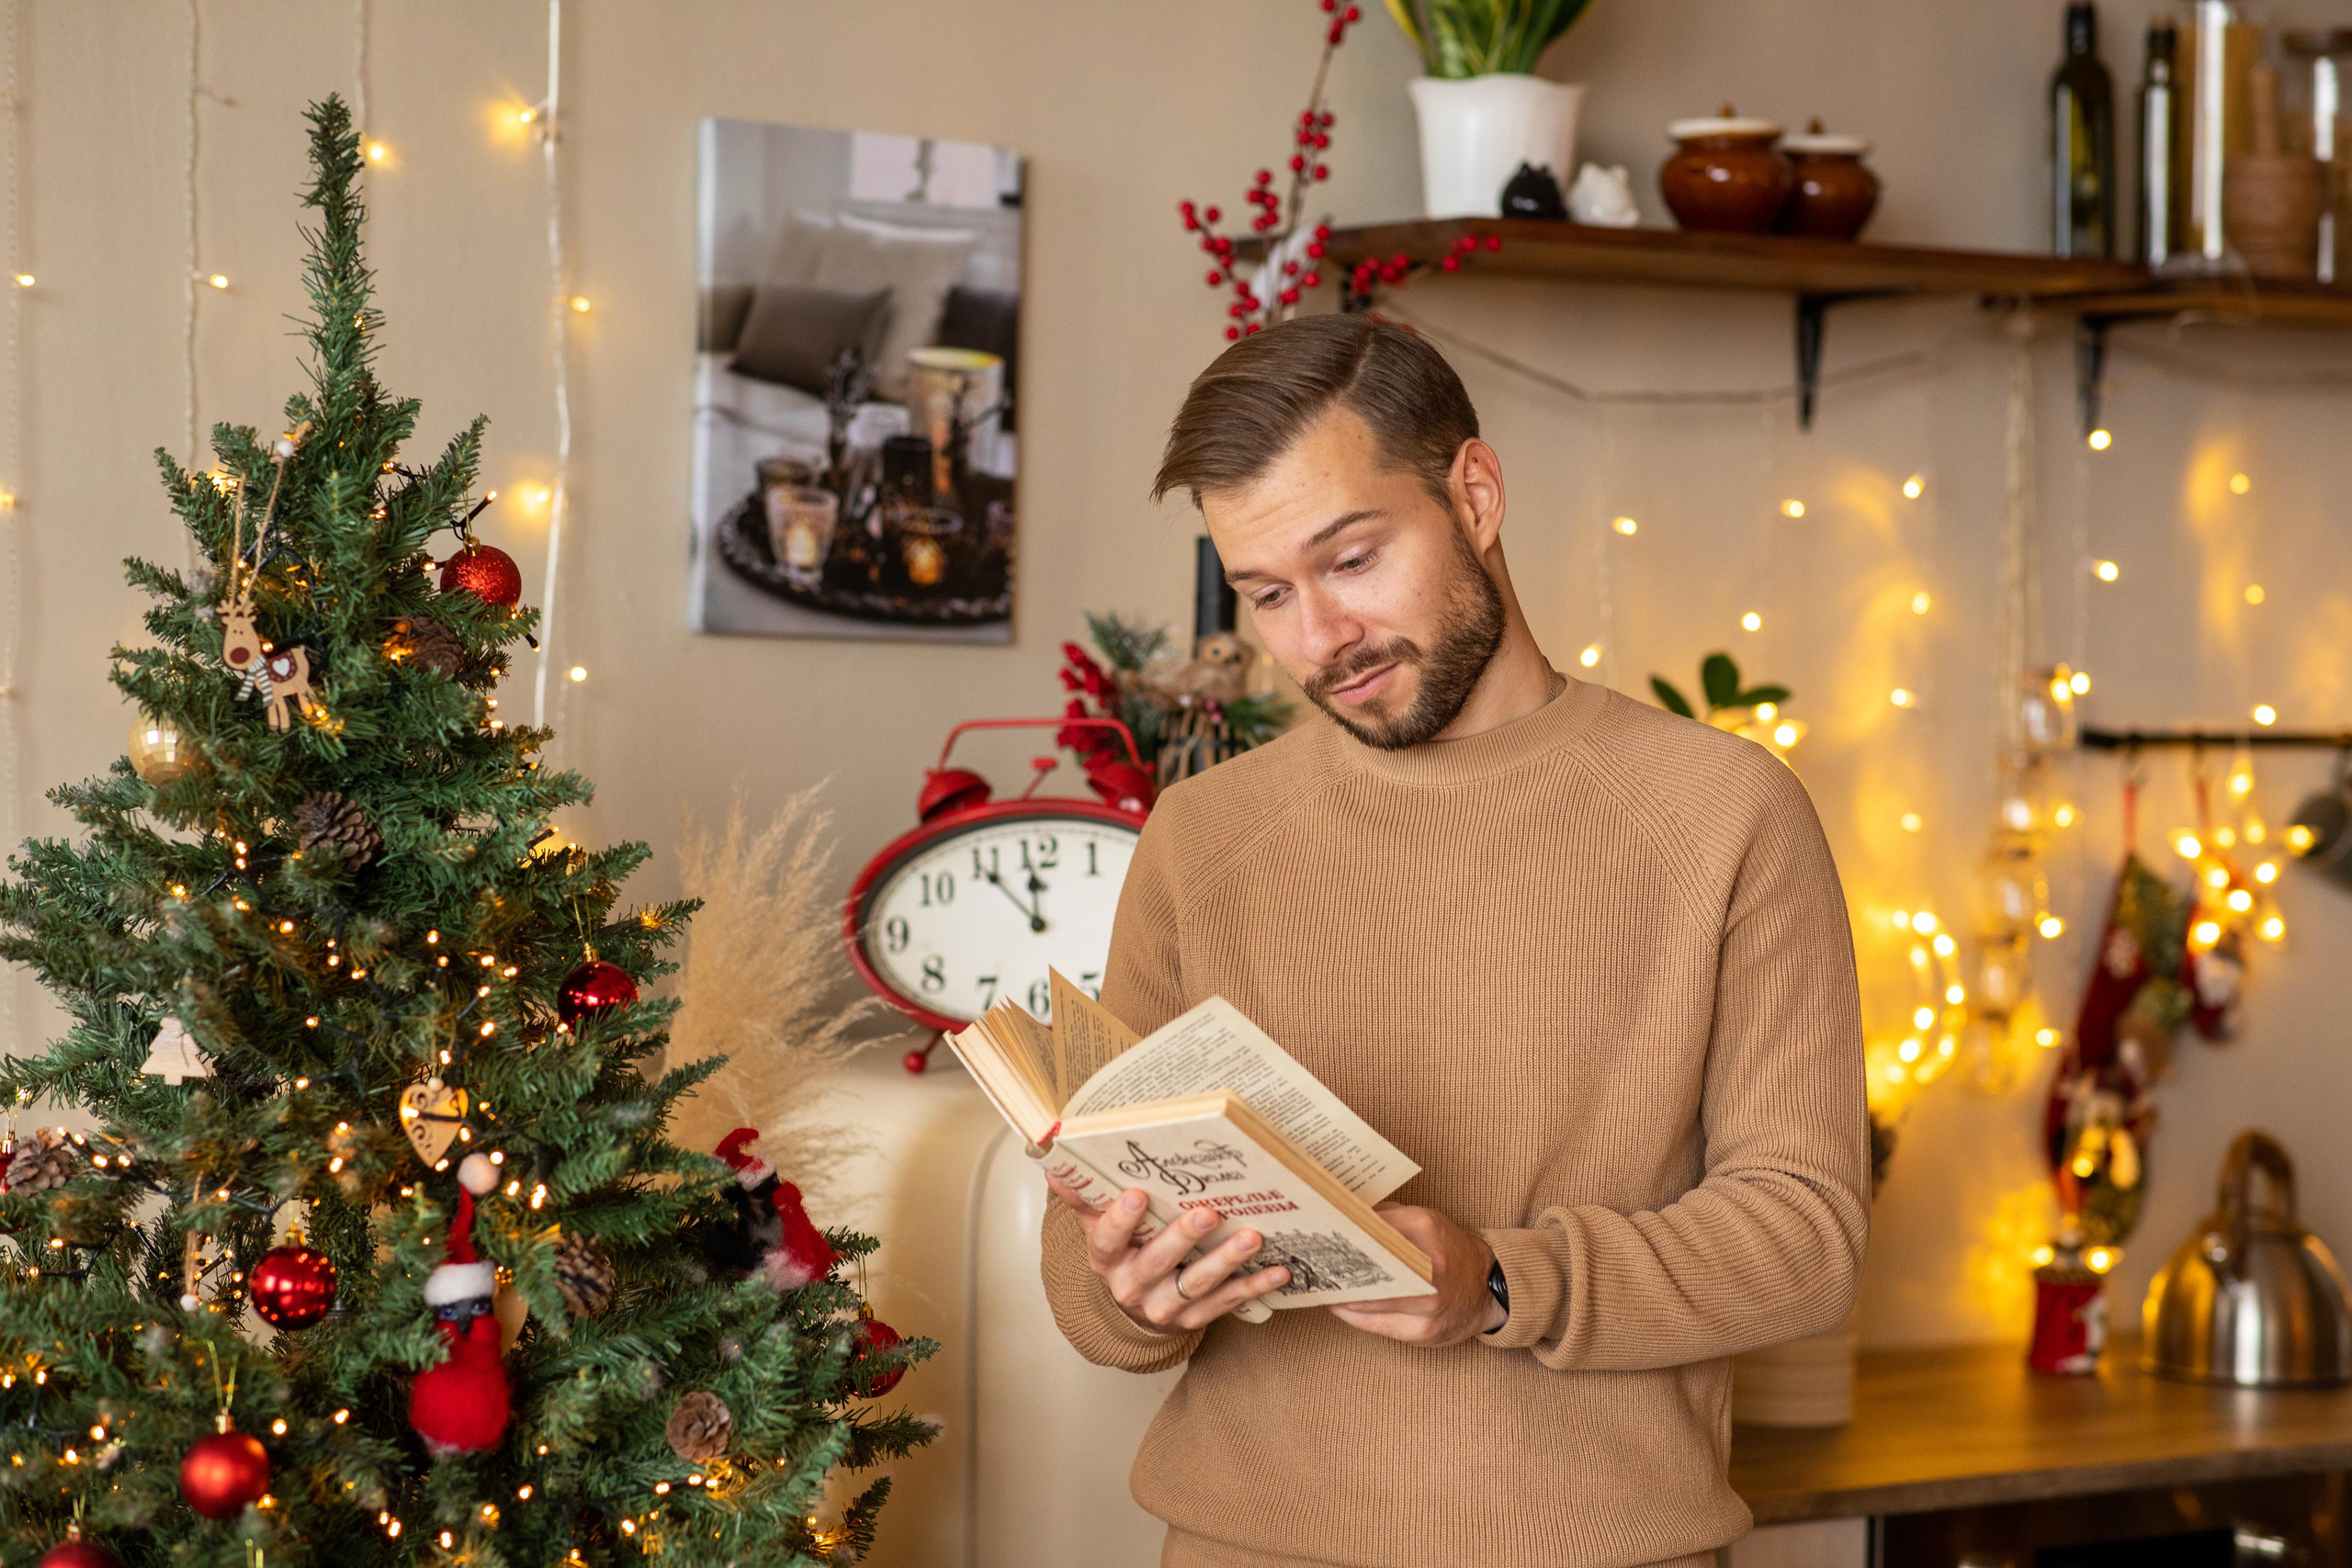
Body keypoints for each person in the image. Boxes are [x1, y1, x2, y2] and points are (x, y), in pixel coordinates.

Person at [1038, 313, 1869, 1568]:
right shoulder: (1203, 837)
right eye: (1269, 593)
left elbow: (1807, 1241)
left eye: (1353, 560)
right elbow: (1090, 1288)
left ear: (1474, 495)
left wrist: (1501, 1283)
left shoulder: (1723, 814)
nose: (1320, 639)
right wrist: (1126, 1286)